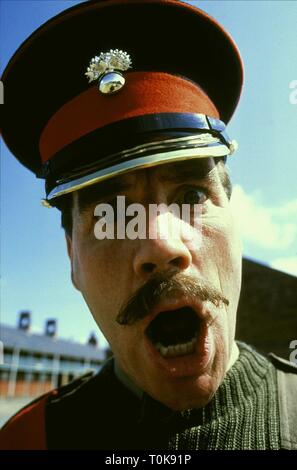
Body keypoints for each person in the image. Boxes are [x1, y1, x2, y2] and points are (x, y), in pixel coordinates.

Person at [0, 0, 296, 451]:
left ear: (236, 221)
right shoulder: (25, 444)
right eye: (107, 215)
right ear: (71, 259)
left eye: (192, 197)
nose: (160, 244)